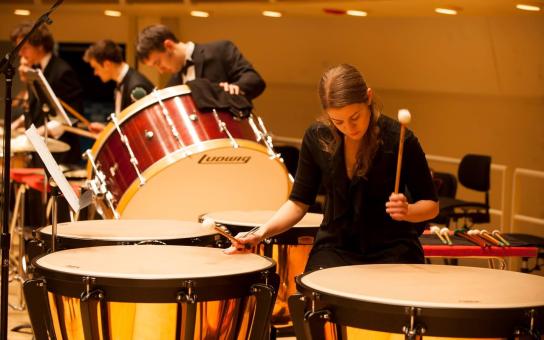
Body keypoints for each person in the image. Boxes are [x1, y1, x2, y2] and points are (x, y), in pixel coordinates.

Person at [226, 64, 439, 271]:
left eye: (355, 117)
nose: (349, 127)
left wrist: (408, 210)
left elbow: (431, 205)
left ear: (368, 97)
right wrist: (260, 232)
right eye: (338, 121)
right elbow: (299, 202)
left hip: (394, 249)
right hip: (336, 247)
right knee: (314, 299)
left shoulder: (400, 139)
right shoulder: (317, 137)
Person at [10, 21, 84, 165]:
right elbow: (37, 108)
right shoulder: (35, 70)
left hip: (59, 155)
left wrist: (40, 132)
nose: (20, 53)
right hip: (40, 149)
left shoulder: (62, 72)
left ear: (40, 46)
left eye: (24, 48)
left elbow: (71, 116)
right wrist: (19, 123)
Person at [136, 24, 265, 101]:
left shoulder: (220, 50)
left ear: (169, 45)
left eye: (158, 62)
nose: (161, 70)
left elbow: (255, 80)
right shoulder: (173, 85)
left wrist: (237, 87)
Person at [83, 39, 155, 133]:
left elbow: (140, 129)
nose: (95, 73)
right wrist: (106, 130)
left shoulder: (136, 87)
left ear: (107, 64)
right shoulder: (123, 81)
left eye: (96, 68)